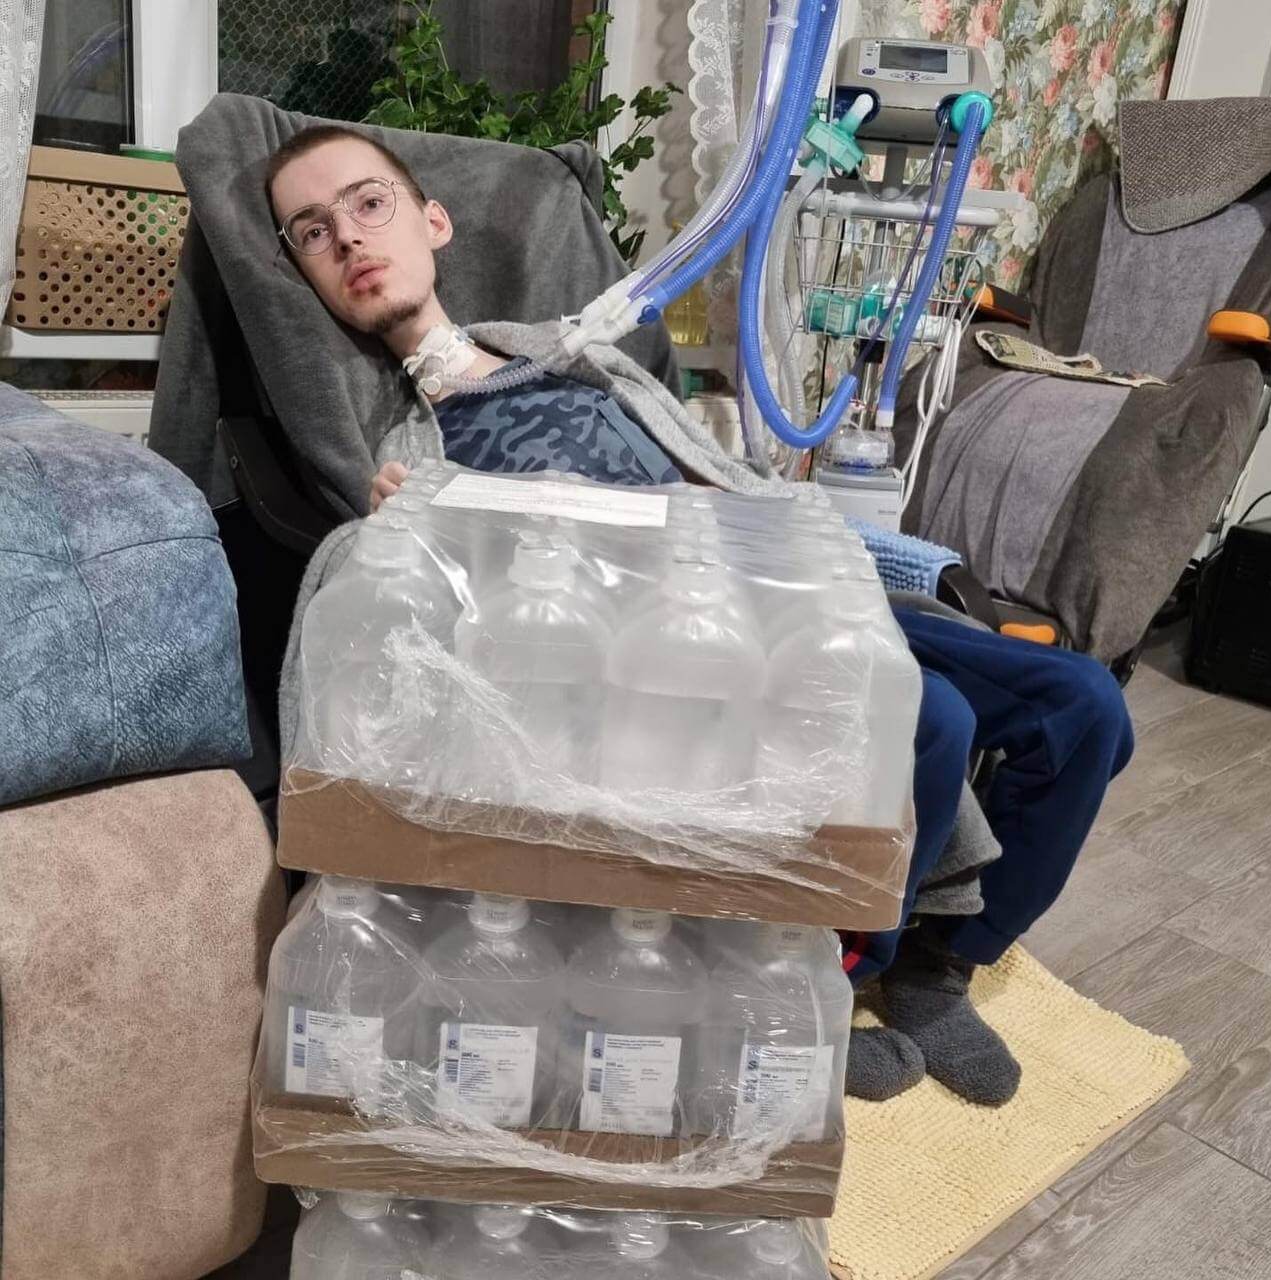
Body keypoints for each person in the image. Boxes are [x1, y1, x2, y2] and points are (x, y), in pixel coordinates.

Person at [266, 124, 1133, 1108]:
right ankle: (811, 986)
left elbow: (718, 469)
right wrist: (402, 520)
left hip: (771, 569)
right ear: (304, 271)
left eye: (368, 203)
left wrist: (834, 547)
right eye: (313, 230)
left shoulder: (564, 349)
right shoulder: (396, 443)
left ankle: (944, 963)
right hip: (664, 637)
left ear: (433, 221)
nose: (347, 235)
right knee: (928, 718)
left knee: (1083, 705)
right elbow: (413, 607)